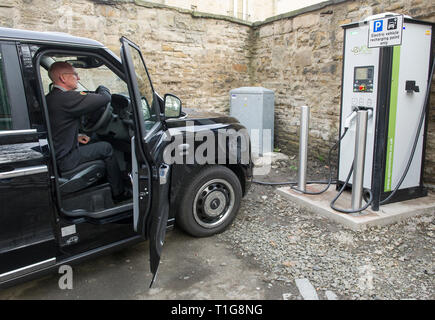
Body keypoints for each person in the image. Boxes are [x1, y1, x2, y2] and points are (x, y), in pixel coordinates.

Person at [46, 61, 128, 202]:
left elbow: (57, 128)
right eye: (75, 74)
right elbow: (105, 98)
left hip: (57, 153)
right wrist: (102, 87)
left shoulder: (51, 98)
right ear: (63, 78)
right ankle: (119, 193)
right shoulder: (66, 98)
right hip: (66, 159)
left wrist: (76, 136)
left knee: (93, 139)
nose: (78, 78)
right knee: (107, 147)